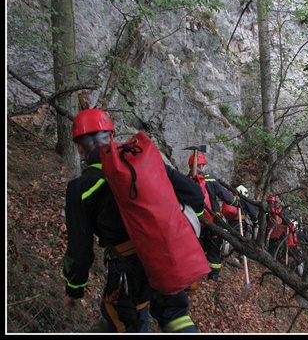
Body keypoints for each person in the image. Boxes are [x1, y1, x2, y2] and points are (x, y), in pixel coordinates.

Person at [62, 108, 206, 333]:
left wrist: (74, 289)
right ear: (111, 137)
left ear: (80, 148)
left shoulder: (79, 188)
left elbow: (79, 253)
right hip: (166, 254)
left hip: (126, 269)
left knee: (127, 323)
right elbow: (196, 197)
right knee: (176, 317)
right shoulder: (145, 163)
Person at [188, 152, 238, 282]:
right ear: (202, 165)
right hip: (213, 220)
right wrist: (235, 202)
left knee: (194, 246)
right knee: (214, 248)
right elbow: (226, 196)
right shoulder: (210, 178)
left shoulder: (184, 179)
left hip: (193, 222)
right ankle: (213, 275)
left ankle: (195, 274)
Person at [221, 185, 259, 266]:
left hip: (231, 223)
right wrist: (255, 222)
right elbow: (252, 212)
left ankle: (224, 255)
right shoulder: (244, 200)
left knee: (229, 238)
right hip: (241, 223)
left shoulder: (231, 198)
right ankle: (241, 257)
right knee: (242, 240)